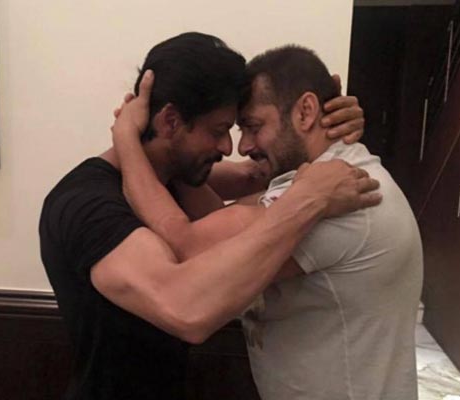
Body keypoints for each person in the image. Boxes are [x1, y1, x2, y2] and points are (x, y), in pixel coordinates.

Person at [39, 32, 380, 400]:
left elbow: (256, 172)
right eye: (218, 131)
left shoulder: (171, 178)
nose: (229, 147)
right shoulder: (87, 205)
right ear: (170, 121)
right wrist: (308, 198)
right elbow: (183, 307)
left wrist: (324, 126)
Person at [113, 44, 423, 400]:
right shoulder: (314, 179)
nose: (242, 146)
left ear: (305, 111)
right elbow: (227, 216)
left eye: (253, 127)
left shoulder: (342, 192)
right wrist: (173, 149)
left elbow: (192, 246)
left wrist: (126, 139)